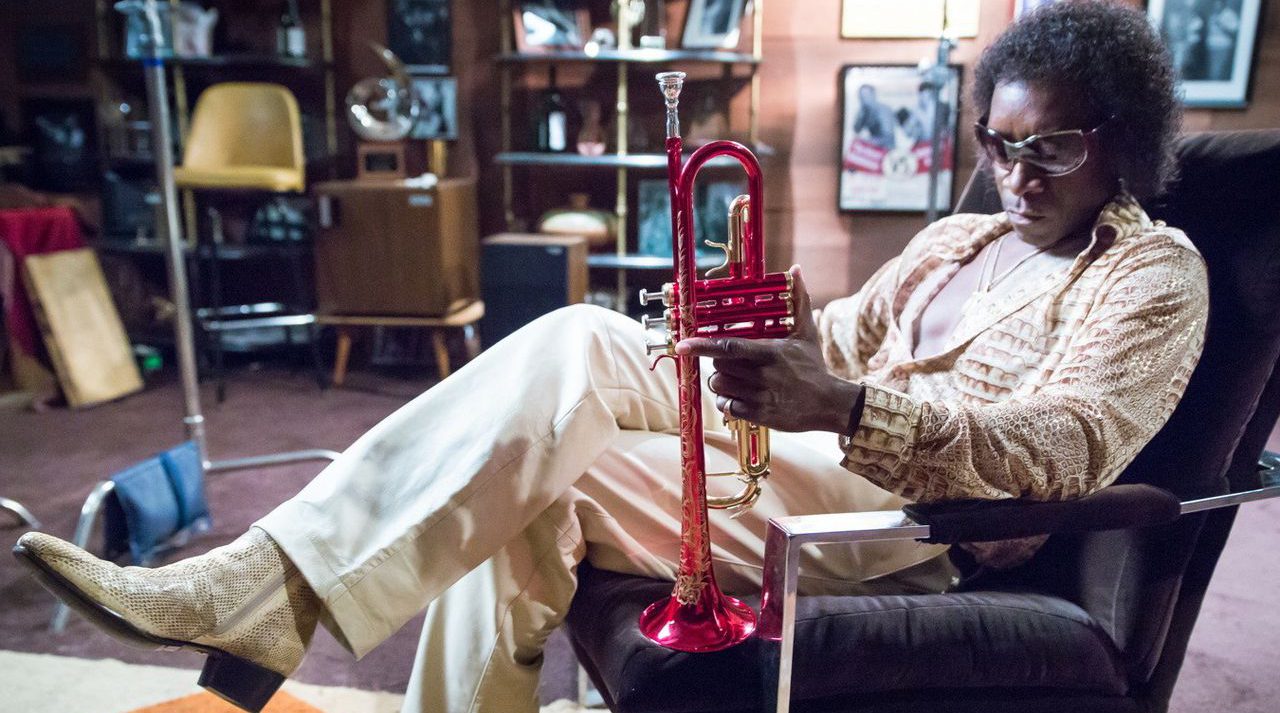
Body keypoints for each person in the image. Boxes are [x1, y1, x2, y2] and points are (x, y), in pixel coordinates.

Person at [14, 3, 1205, 712]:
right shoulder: (958, 238)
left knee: (549, 424)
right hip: (822, 448)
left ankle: (259, 592)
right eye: (997, 143)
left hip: (924, 518)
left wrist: (843, 403)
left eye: (1049, 147)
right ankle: (267, 587)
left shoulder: (1151, 274)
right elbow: (841, 341)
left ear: (1122, 140)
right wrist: (748, 329)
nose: (1015, 175)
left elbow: (1062, 449)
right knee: (545, 424)